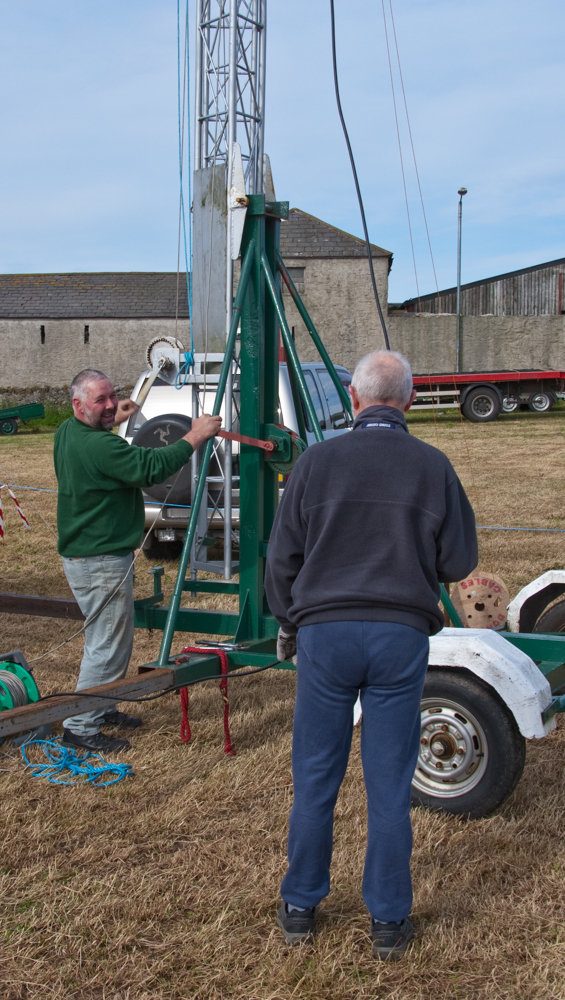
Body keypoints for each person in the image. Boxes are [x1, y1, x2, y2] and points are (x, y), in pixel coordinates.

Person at [264, 349, 477, 960]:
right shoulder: (433, 466)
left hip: (325, 637)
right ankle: (388, 920)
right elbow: (459, 563)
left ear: (353, 401)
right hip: (398, 637)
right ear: (408, 401)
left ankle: (301, 906)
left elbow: (281, 561)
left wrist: (290, 624)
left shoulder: (315, 461)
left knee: (315, 778)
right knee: (388, 785)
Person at [54, 368, 221, 754]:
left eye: (114, 396)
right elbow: (151, 468)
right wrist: (195, 435)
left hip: (89, 555)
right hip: (100, 561)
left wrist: (118, 415)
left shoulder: (68, 431)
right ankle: (80, 724)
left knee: (110, 640)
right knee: (107, 646)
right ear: (79, 405)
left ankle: (104, 704)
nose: (111, 404)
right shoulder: (101, 448)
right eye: (101, 401)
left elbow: (105, 442)